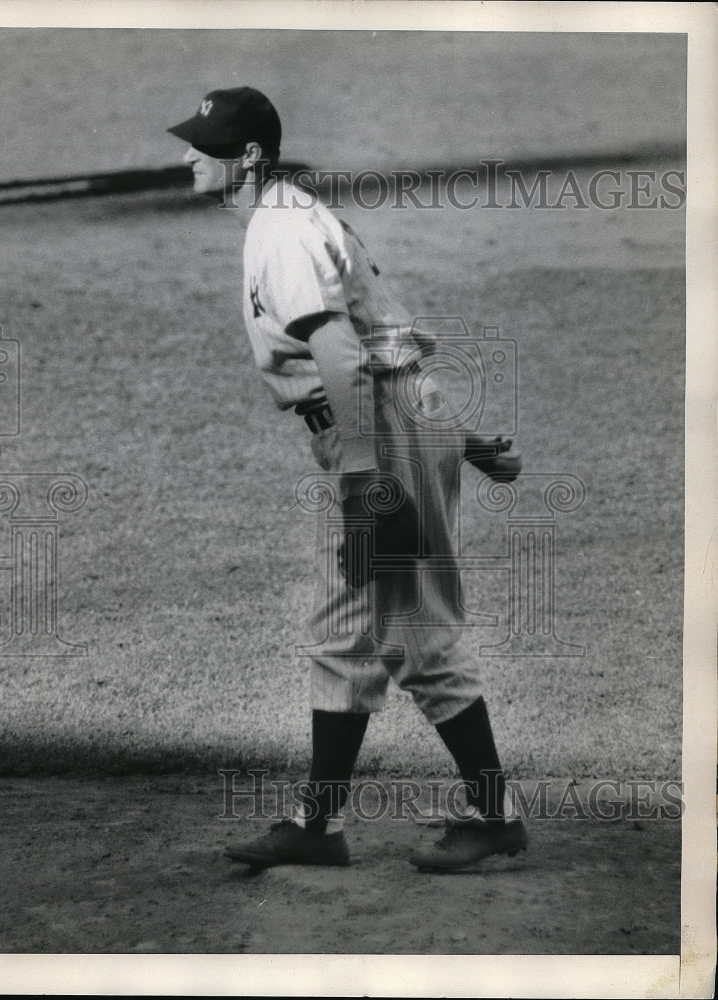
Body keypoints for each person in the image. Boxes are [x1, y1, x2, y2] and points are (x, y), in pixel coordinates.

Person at [167, 86, 527, 871]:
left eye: (206, 144)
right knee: (349, 633)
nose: (189, 155)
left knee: (408, 630)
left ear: (249, 156)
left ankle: (491, 813)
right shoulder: (291, 213)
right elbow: (381, 338)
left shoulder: (281, 233)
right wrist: (454, 441)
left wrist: (370, 479)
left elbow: (339, 352)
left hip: (375, 437)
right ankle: (317, 827)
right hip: (398, 425)